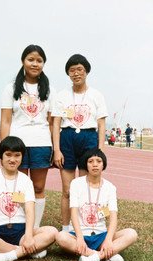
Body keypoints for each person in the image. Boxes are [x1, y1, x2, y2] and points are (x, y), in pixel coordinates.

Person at [0, 136, 58, 261]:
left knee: (52, 232)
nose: (12, 159)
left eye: (17, 155)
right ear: (1, 156)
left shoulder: (25, 180)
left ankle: (8, 255)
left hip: (21, 231)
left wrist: (29, 237)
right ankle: (24, 252)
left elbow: (30, 210)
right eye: (8, 155)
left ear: (22, 157)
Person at [0, 44, 56, 228]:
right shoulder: (11, 88)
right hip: (18, 146)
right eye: (31, 59)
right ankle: (20, 226)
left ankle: (35, 227)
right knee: (19, 187)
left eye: (39, 61)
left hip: (41, 144)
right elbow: (6, 121)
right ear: (23, 61)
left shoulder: (49, 89)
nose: (35, 64)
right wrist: (4, 150)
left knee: (38, 188)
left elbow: (51, 122)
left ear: (43, 64)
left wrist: (55, 149)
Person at [56, 147, 137, 261]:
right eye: (91, 161)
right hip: (79, 234)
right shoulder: (76, 184)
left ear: (103, 165)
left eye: (98, 161)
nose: (95, 165)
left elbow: (113, 217)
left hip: (101, 235)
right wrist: (79, 238)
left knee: (131, 234)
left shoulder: (110, 187)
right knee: (61, 237)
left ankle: (93, 257)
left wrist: (109, 240)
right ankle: (101, 255)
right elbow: (73, 213)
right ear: (86, 165)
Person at [52, 54, 108, 232]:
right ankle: (66, 229)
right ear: (68, 73)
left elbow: (101, 124)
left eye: (80, 70)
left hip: (89, 140)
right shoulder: (62, 95)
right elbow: (56, 123)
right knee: (67, 190)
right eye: (72, 70)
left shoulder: (96, 95)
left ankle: (84, 228)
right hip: (67, 139)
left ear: (86, 71)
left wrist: (99, 151)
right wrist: (57, 150)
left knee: (86, 187)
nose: (76, 73)